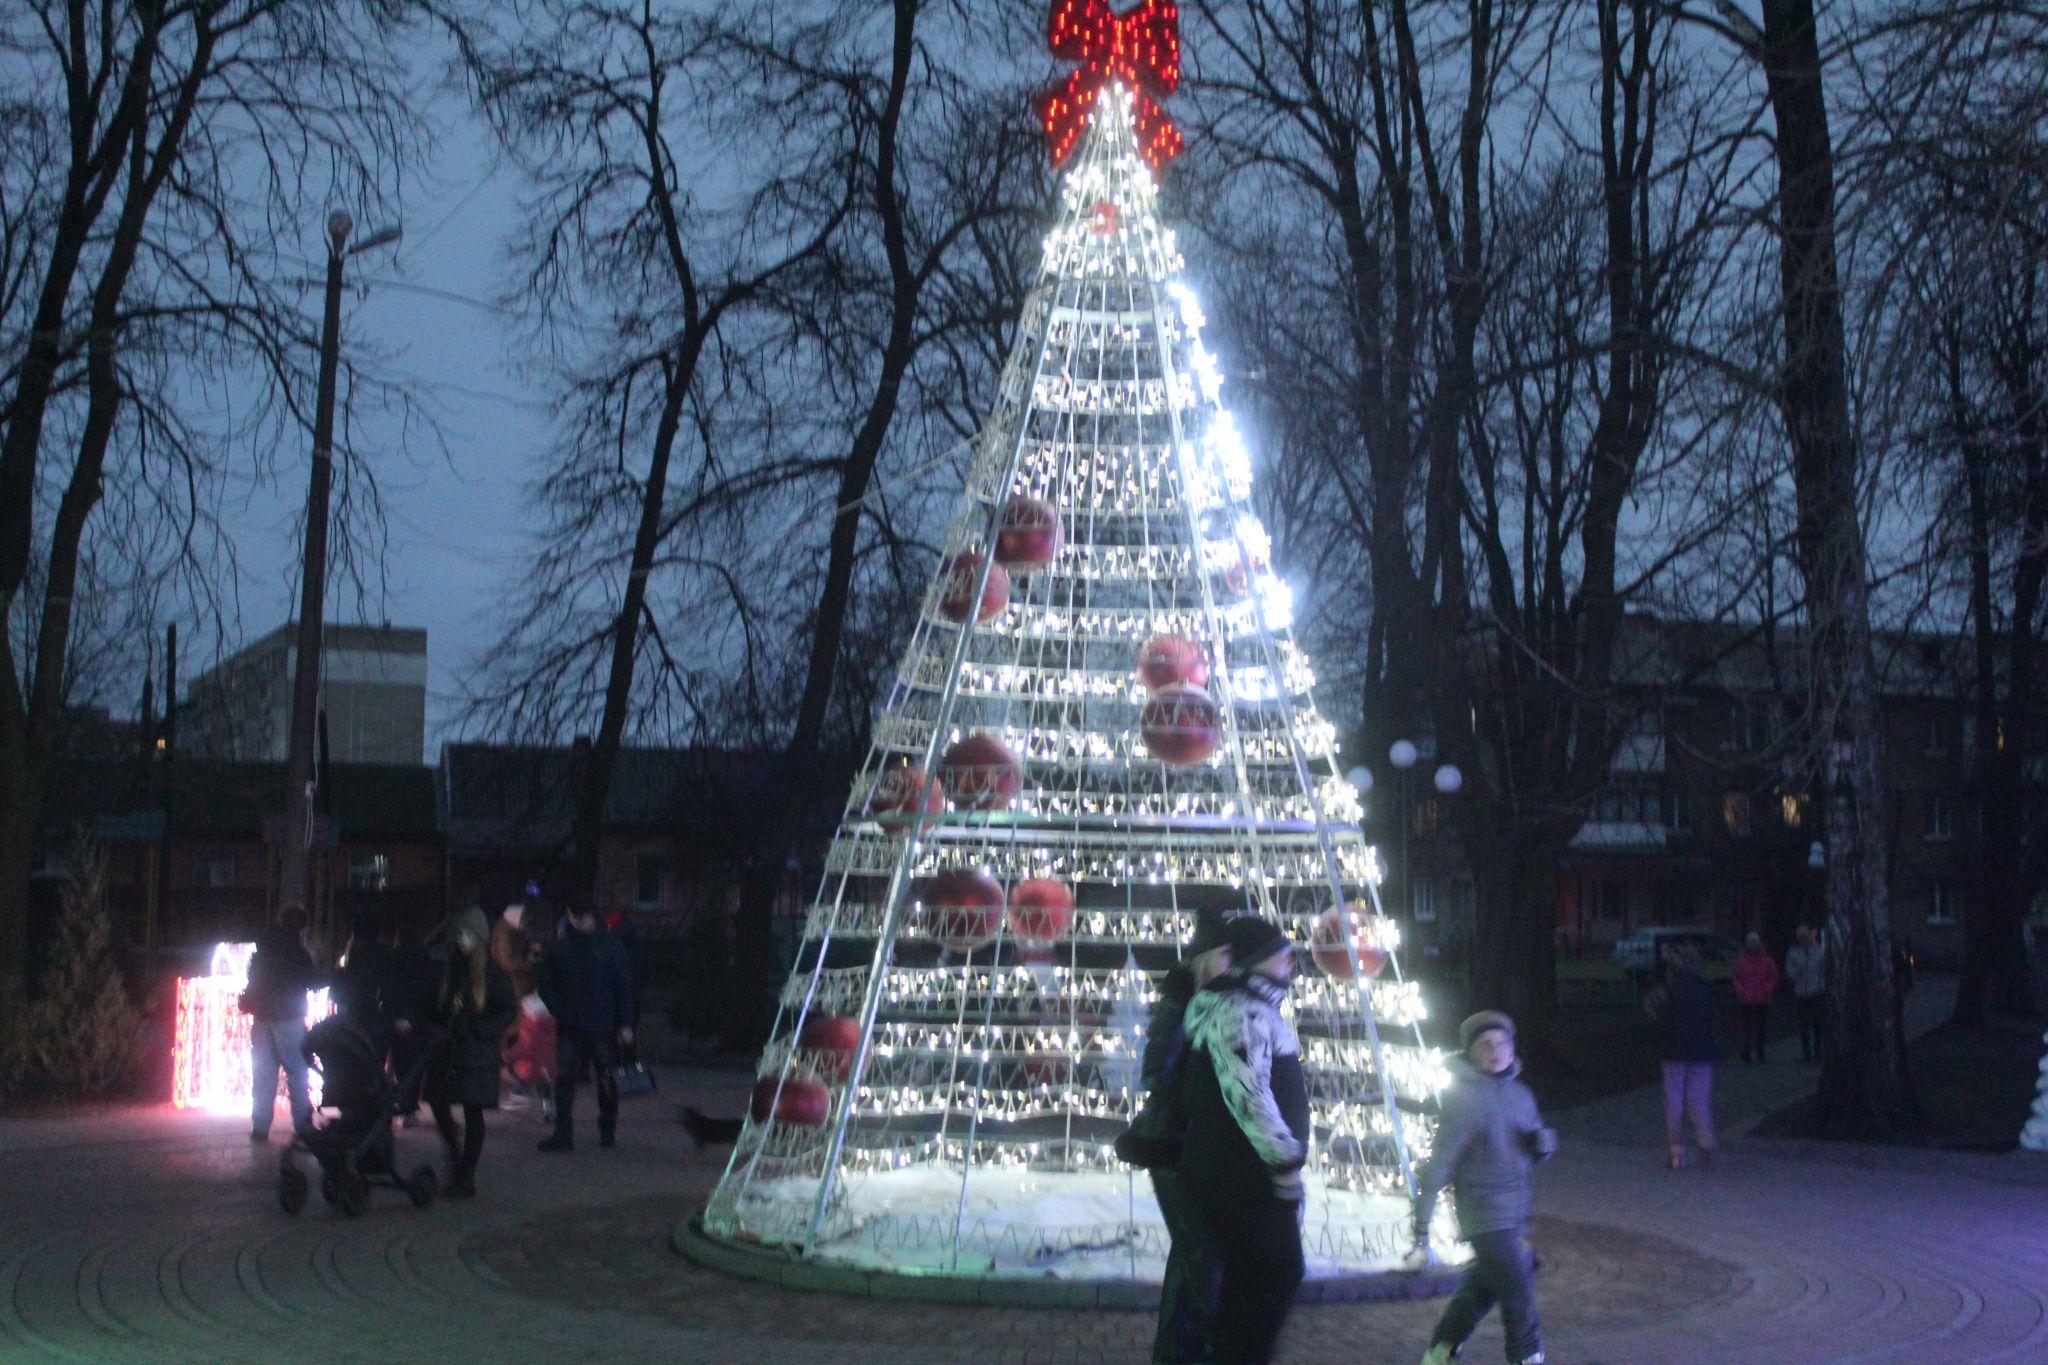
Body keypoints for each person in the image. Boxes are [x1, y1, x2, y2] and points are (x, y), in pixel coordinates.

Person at [1179, 917, 1307, 1365]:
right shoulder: (1242, 1012)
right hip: (1243, 1175)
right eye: (1281, 950)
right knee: (1280, 1273)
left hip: (1233, 1171)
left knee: (1248, 1281)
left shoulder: (1246, 1006)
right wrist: (1285, 1162)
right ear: (1255, 959)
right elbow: (1249, 1096)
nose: (1292, 959)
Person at [1414, 1011, 1556, 1365]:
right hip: (1483, 1214)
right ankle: (1527, 1357)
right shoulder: (1463, 1099)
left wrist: (1544, 1142)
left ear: (1512, 1049)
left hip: (1515, 1212)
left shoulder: (1521, 1095)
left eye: (1502, 1043)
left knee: (1483, 1287)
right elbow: (1441, 1160)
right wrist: (1421, 1222)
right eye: (1485, 1045)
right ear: (1469, 1053)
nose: (1495, 1051)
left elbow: (1537, 1141)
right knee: (1518, 1293)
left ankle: (1441, 1349)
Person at [1140, 918, 1231, 1364]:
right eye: (1225, 956)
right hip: (1174, 1140)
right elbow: (1156, 1068)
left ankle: (1174, 1352)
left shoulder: (1213, 1001)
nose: (1233, 966)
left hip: (1192, 1141)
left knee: (1191, 1256)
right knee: (1202, 1257)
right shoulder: (1182, 1002)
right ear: (1203, 959)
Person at [423, 908, 515, 1197]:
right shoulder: (450, 966)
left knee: (473, 1110)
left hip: (475, 1051)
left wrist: (478, 1029)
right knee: (438, 1102)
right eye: (458, 935)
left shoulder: (491, 972)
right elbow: (433, 1002)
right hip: (449, 1049)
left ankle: (466, 1173)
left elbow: (506, 1010)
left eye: (466, 935)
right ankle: (456, 1157)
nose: (461, 941)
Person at [537, 899, 635, 1152]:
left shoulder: (605, 947)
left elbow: (624, 986)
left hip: (598, 1025)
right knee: (571, 1079)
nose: (579, 922)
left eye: (583, 917)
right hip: (582, 1023)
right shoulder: (564, 948)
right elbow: (546, 985)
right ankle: (568, 1132)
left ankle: (602, 1129)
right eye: (576, 916)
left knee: (602, 1079)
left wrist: (625, 1023)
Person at [246, 906, 318, 1143]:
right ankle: (303, 1124)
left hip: (262, 1016)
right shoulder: (297, 952)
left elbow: (253, 978)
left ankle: (260, 1126)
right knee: (297, 1071)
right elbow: (312, 980)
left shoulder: (264, 948)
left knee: (264, 1073)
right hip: (288, 1016)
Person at [1649, 945, 1719, 1168]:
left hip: (1674, 1050)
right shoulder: (1705, 989)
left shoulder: (1669, 989)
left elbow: (1652, 1008)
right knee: (1699, 1100)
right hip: (1702, 1051)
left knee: (1674, 1101)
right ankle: (1705, 1144)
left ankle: (1676, 1152)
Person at [1732, 932, 1780, 1064]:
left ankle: (1760, 1051)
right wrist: (1741, 990)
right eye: (1751, 943)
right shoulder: (1741, 961)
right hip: (1746, 999)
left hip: (1762, 999)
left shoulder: (1767, 960)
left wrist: (1767, 989)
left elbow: (1773, 977)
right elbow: (1736, 978)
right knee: (1746, 1028)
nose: (1754, 945)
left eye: (1756, 942)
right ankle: (1746, 1051)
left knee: (1761, 1027)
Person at [1785, 925, 1826, 1063]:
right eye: (1800, 938)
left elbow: (1824, 970)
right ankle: (1806, 1054)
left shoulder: (1819, 951)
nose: (1803, 939)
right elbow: (1790, 973)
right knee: (1804, 1025)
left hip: (1816, 991)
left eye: (1805, 936)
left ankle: (1818, 1052)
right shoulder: (1793, 953)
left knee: (1818, 1023)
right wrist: (1798, 971)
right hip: (1801, 992)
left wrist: (1823, 984)